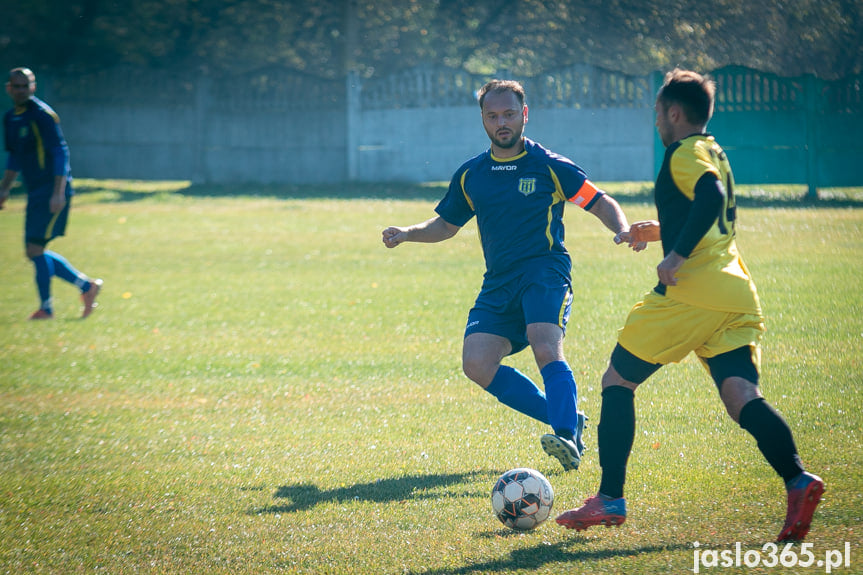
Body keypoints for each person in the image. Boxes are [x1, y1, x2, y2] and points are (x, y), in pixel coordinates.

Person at [555, 69, 824, 541]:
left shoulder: (683, 152)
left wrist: (674, 255)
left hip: (691, 292)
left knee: (617, 380)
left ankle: (610, 499)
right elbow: (711, 211)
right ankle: (798, 479)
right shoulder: (713, 150)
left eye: (659, 113)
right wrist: (660, 231)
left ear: (673, 113)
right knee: (742, 398)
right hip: (735, 293)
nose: (657, 121)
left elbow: (710, 197)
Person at [382, 79, 637, 471]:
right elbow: (446, 225)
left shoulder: (549, 165)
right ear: (482, 119)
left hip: (545, 271)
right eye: (492, 116)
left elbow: (599, 200)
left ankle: (567, 435)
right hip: (499, 282)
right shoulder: (473, 174)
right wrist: (407, 234)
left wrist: (620, 228)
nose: (501, 122)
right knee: (477, 364)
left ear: (525, 114)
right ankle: (565, 418)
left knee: (544, 343)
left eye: (509, 114)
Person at [0, 67, 101, 320]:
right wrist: (5, 188)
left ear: (33, 87)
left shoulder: (43, 115)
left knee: (35, 248)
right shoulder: (11, 118)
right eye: (17, 86)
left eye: (26, 86)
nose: (21, 90)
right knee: (34, 250)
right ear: (8, 88)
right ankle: (86, 286)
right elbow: (14, 156)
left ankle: (47, 308)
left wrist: (58, 192)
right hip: (35, 190)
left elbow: (60, 152)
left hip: (52, 188)